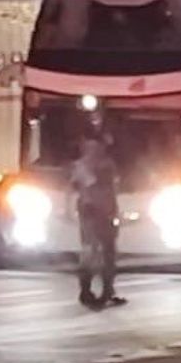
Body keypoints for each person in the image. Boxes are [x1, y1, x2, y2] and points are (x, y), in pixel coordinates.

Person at [70, 116, 124, 307]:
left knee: (99, 252)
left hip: (96, 210)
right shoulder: (95, 162)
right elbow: (98, 185)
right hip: (95, 211)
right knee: (99, 252)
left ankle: (100, 291)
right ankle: (93, 291)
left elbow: (79, 186)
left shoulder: (90, 163)